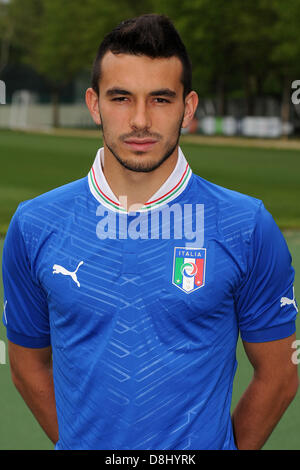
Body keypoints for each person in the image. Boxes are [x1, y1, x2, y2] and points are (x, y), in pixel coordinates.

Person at [2, 14, 299, 451]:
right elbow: (27, 363)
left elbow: (279, 373)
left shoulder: (246, 225)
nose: (140, 120)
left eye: (161, 99)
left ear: (188, 108)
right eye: (121, 98)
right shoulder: (33, 225)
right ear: (94, 103)